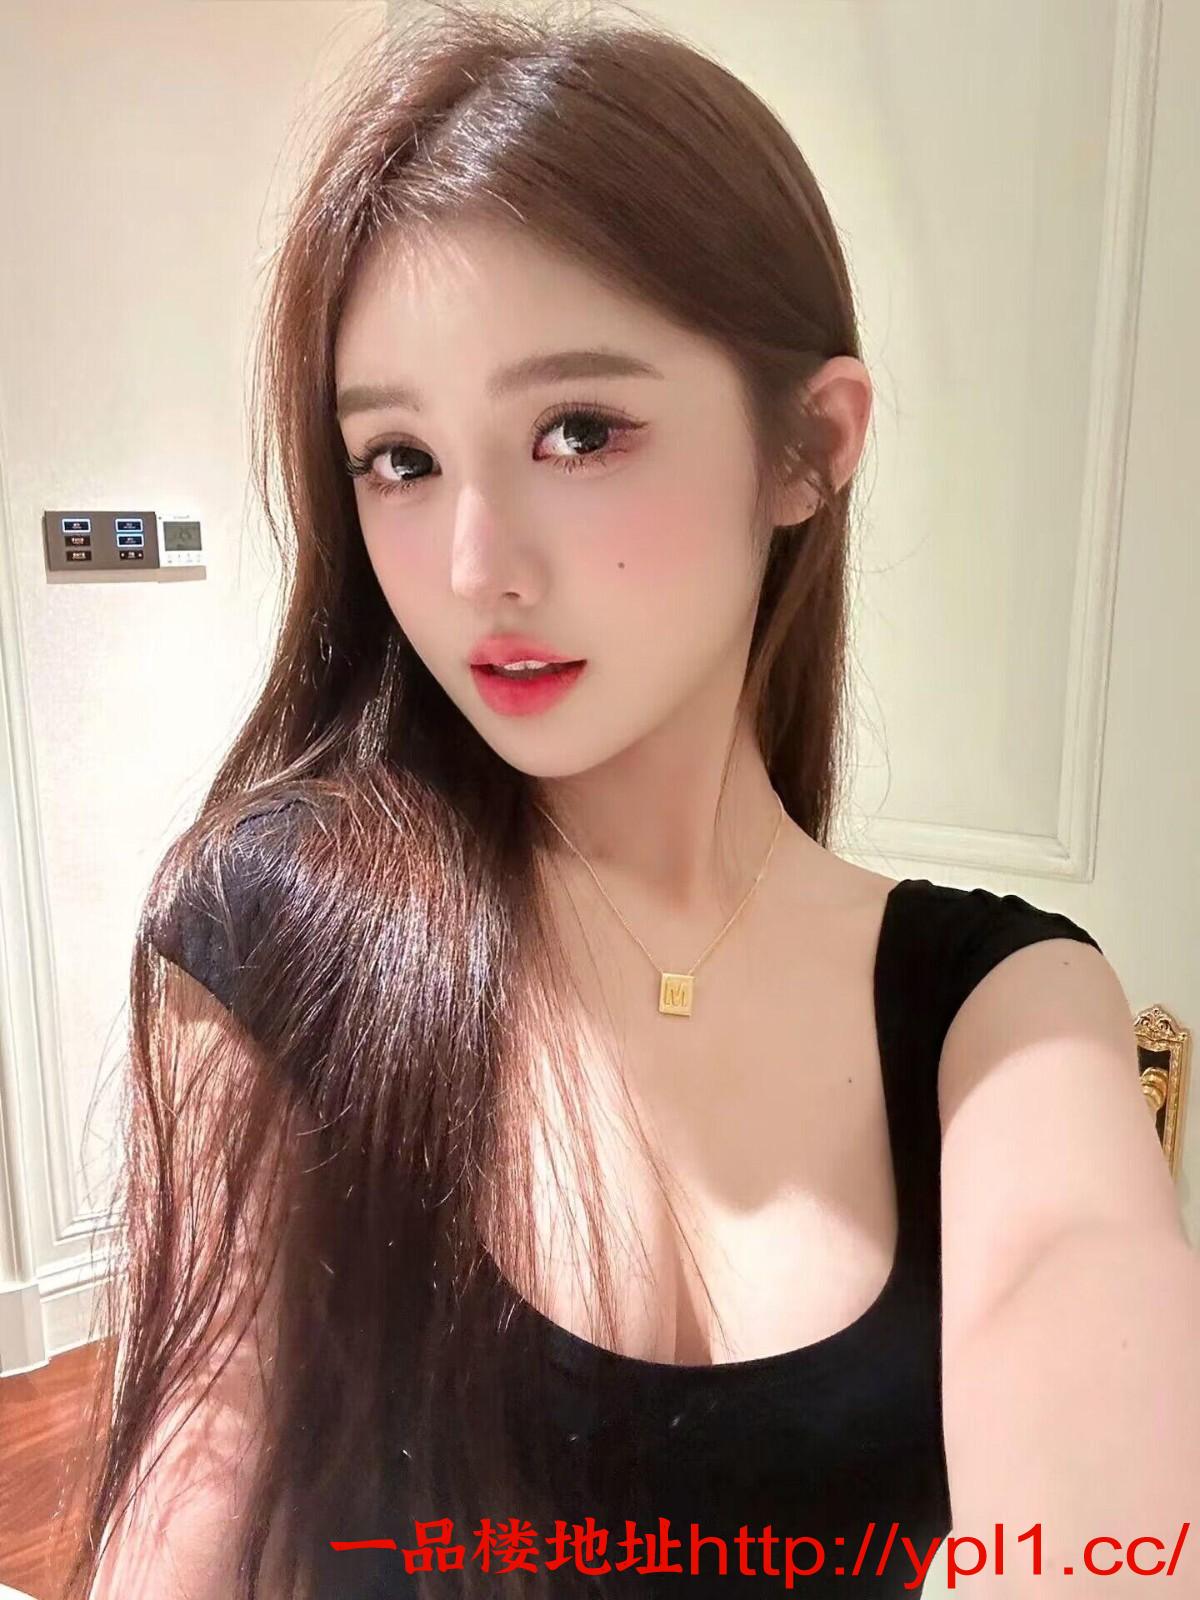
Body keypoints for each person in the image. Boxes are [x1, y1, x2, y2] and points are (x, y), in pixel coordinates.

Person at [68, 5, 1197, 1598]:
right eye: (400, 459)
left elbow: (1103, 1527)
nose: (478, 568)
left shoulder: (1007, 1014)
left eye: (578, 430)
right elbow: (193, 1493)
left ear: (810, 446)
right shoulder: (276, 936)